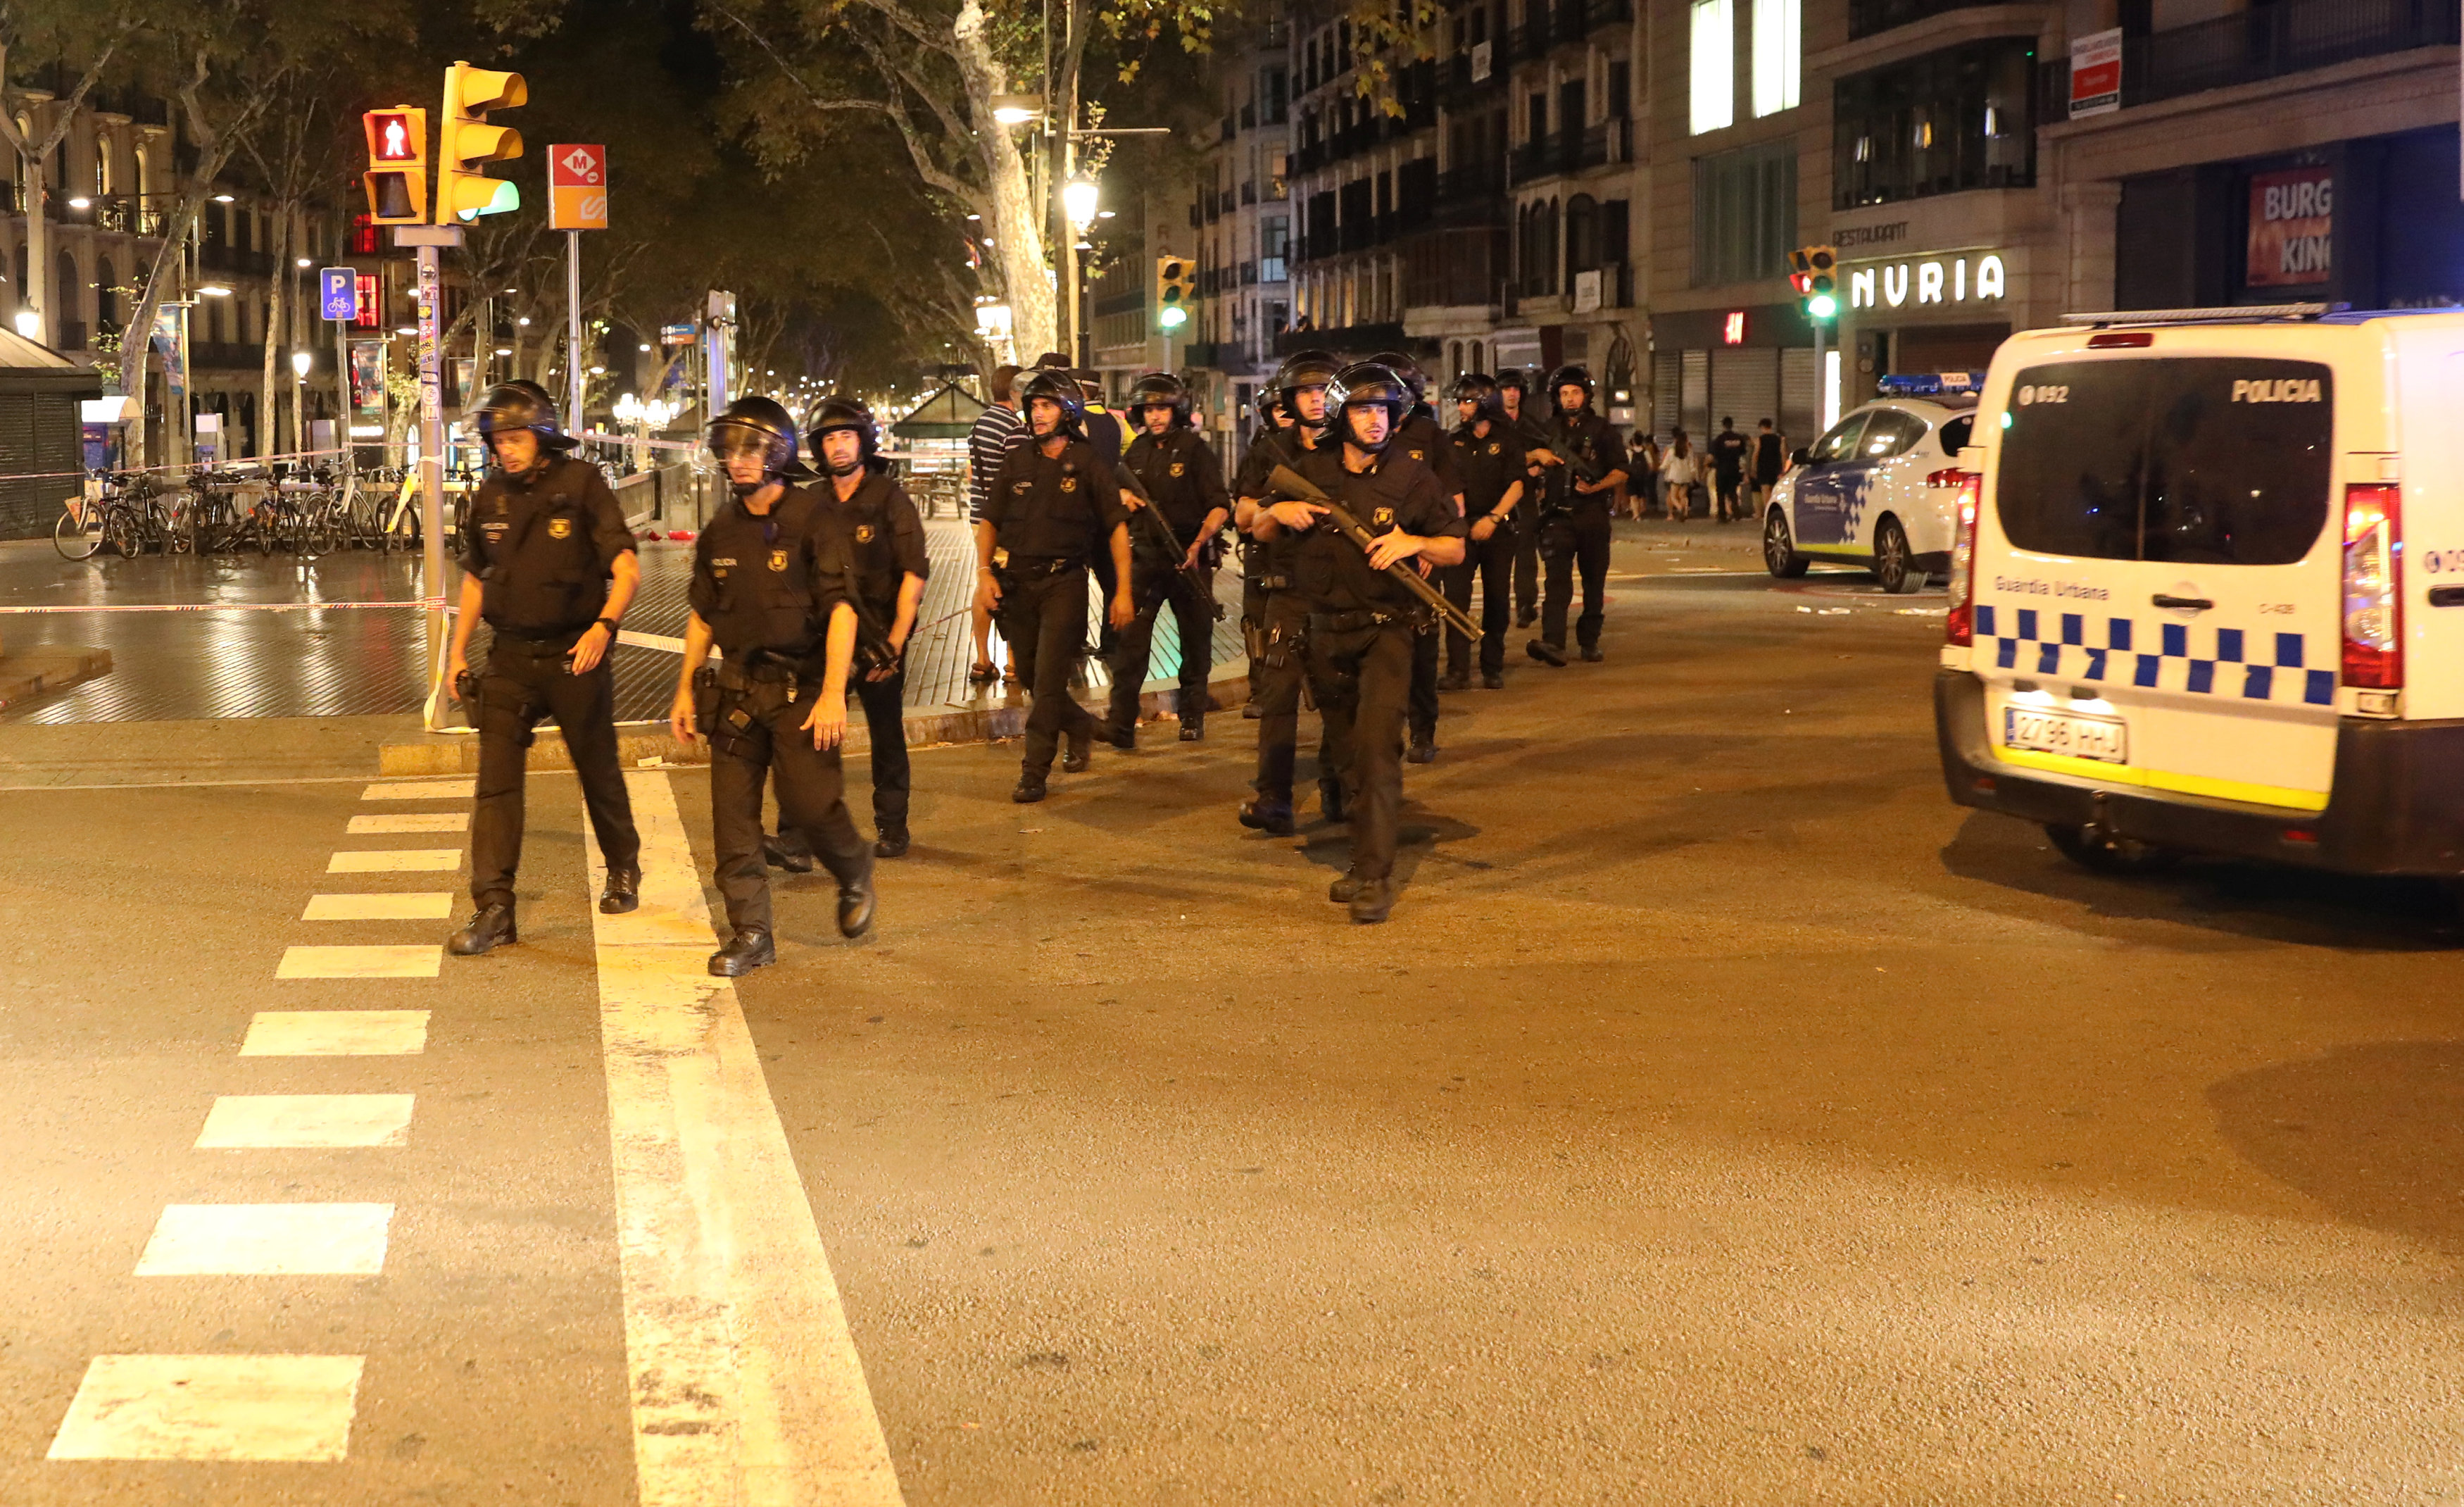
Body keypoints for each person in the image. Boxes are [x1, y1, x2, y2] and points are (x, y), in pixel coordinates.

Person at [665, 397, 876, 976]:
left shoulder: (815, 520)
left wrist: (834, 692)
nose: (737, 461)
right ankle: (752, 933)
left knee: (810, 807)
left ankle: (854, 869)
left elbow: (841, 612)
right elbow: (703, 615)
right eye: (730, 449)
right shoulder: (720, 531)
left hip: (802, 693)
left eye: (751, 448)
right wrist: (685, 689)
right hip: (736, 693)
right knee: (733, 821)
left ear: (778, 453)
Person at [1249, 361, 1464, 923]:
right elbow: (1258, 528)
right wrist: (1278, 512)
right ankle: (1361, 859)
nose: (1377, 421)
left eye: (1385, 411)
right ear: (1344, 416)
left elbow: (1455, 548)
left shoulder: (1413, 476)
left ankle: (1374, 874)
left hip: (1386, 630)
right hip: (1324, 632)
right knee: (1345, 756)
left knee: (1375, 750)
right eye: (1365, 410)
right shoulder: (1311, 468)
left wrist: (1411, 542)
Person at [444, 382, 641, 958]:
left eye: (516, 437)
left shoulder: (582, 485)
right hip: (508, 658)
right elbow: (476, 578)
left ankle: (623, 867)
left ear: (544, 433)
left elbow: (626, 567)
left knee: (597, 768)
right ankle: (495, 908)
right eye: (498, 440)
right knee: (496, 785)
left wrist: (604, 627)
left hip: (574, 655)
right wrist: (456, 654)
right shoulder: (489, 496)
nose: (506, 449)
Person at [974, 369, 1138, 803]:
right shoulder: (1018, 459)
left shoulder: (1088, 464)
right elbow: (989, 520)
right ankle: (1082, 726)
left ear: (1067, 410)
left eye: (1046, 406)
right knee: (1029, 677)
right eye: (1033, 407)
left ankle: (1034, 772)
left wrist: (1123, 592)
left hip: (1065, 583)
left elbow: (1117, 529)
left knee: (1046, 685)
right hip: (1017, 585)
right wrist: (984, 573)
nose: (1037, 414)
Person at [810, 396, 929, 856]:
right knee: (813, 735)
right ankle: (801, 829)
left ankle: (892, 825)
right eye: (830, 439)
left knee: (886, 733)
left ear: (864, 441)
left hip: (879, 638)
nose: (838, 447)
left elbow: (913, 575)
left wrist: (896, 644)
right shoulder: (812, 502)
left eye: (847, 436)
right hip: (822, 642)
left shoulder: (889, 499)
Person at [1231, 348, 1338, 834]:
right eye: (1306, 393)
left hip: (1342, 591)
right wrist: (1277, 512)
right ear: (1290, 400)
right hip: (1287, 590)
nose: (1316, 401)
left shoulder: (1352, 446)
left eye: (1323, 391)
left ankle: (1340, 785)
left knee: (1342, 695)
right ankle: (1274, 797)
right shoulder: (1270, 450)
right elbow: (1244, 517)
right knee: (1277, 695)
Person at [1110, 370, 1231, 744]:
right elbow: (1112, 494)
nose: (1156, 416)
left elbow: (1219, 506)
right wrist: (1122, 498)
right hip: (1146, 559)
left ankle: (1192, 715)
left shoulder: (1195, 450)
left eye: (1163, 408)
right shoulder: (1136, 452)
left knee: (1195, 641)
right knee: (1131, 644)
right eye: (1149, 410)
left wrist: (1198, 544)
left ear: (1176, 410)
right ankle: (1122, 723)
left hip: (1189, 558)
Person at [1369, 350, 1463, 766]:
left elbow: (1452, 501)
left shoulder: (1429, 436)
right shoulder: (1359, 436)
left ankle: (1423, 730)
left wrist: (1426, 545)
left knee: (1423, 649)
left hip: (1419, 559)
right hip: (1369, 559)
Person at [1526, 365, 1628, 668]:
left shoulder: (1603, 429)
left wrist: (1597, 485)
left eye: (1576, 393)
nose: (1570, 399)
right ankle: (1554, 642)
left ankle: (1589, 641)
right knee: (1557, 582)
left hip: (1593, 514)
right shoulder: (1548, 430)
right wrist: (1536, 458)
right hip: (1558, 515)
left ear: (1587, 395)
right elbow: (1527, 468)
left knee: (1594, 582)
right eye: (1564, 393)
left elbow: (1622, 469)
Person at [1442, 373, 1524, 690]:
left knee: (1497, 599)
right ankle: (1457, 670)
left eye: (1468, 401)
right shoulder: (1453, 441)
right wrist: (1461, 524)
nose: (1461, 407)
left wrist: (1492, 519)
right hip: (1461, 529)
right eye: (1460, 401)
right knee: (1455, 600)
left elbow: (1518, 484)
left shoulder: (1509, 440)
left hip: (1498, 529)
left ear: (1486, 403)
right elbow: (1448, 485)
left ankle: (1492, 667)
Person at [1236, 388, 1297, 719]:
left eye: (1288, 407)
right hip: (1263, 549)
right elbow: (1243, 507)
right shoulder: (1259, 452)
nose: (1284, 414)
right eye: (1277, 409)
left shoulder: (1316, 448)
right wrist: (1270, 507)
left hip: (1302, 548)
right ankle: (1259, 690)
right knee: (1257, 623)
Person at [964, 364, 1023, 687]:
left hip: (979, 516)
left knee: (984, 581)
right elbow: (1017, 477)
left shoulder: (980, 423)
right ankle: (1013, 662)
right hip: (1005, 520)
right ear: (1015, 391)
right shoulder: (1014, 428)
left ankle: (983, 659)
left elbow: (974, 472)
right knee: (1013, 585)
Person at [1497, 370, 1547, 627]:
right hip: (1497, 496)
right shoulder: (1492, 423)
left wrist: (1539, 469)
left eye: (1516, 389)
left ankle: (1526, 604)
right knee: (1499, 555)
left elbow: (1547, 453)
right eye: (1506, 389)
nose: (1512, 393)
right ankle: (1500, 608)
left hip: (1526, 494)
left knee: (1526, 551)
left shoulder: (1531, 424)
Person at [1709, 415, 1749, 524]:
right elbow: (1742, 454)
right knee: (1733, 491)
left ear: (1723, 426)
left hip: (1722, 469)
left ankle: (1722, 516)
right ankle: (1736, 512)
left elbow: (1713, 455)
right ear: (1732, 425)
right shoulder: (1739, 439)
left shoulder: (1719, 439)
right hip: (1734, 468)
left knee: (1721, 493)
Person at [1749, 417, 1787, 518]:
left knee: (1765, 492)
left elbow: (1755, 455)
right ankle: (1775, 513)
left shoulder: (1760, 440)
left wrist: (1753, 468)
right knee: (1775, 491)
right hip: (1776, 468)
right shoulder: (1779, 439)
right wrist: (1783, 469)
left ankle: (1768, 514)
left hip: (1764, 468)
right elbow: (1783, 454)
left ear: (1762, 427)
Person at [1661, 429, 1698, 523]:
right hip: (1686, 476)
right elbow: (1692, 465)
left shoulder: (1672, 451)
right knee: (1683, 495)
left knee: (1673, 496)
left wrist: (1660, 467)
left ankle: (1680, 508)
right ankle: (1685, 512)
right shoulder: (1688, 451)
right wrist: (1694, 474)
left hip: (1675, 476)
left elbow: (1666, 464)